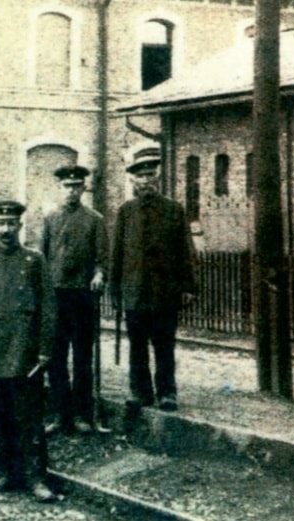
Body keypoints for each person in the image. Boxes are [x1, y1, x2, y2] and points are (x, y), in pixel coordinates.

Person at [0, 200, 56, 501]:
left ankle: (35, 478)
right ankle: (6, 471)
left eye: (11, 224)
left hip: (23, 352)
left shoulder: (34, 260)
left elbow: (48, 308)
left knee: (29, 417)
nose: (5, 229)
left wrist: (44, 349)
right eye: (0, 223)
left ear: (19, 225)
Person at [110, 151, 196, 413]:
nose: (146, 181)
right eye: (140, 177)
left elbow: (185, 250)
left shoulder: (173, 209)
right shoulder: (126, 212)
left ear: (157, 178)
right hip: (134, 291)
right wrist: (115, 290)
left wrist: (189, 286)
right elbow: (117, 254)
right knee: (137, 346)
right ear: (133, 181)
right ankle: (140, 392)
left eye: (150, 175)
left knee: (164, 345)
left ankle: (167, 393)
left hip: (164, 292)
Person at [41, 166, 108, 434]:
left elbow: (103, 258)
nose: (71, 190)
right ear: (60, 188)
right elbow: (42, 258)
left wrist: (99, 274)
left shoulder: (95, 219)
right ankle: (60, 414)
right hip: (56, 297)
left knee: (82, 358)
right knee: (56, 358)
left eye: (76, 186)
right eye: (67, 186)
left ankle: (82, 414)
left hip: (82, 297)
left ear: (83, 189)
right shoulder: (50, 219)